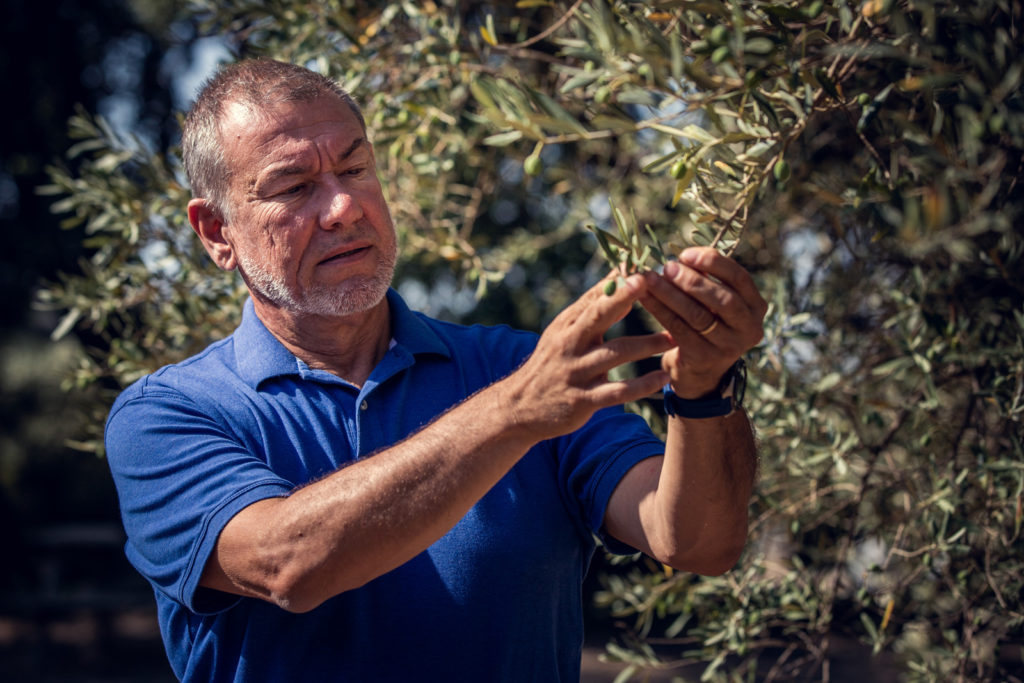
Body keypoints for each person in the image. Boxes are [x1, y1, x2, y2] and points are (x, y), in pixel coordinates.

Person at [104, 59, 767, 682]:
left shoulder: (514, 365)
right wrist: (514, 413)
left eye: (356, 168)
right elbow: (287, 562)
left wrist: (705, 388)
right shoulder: (167, 414)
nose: (343, 207)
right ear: (217, 232)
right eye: (294, 186)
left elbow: (700, 540)